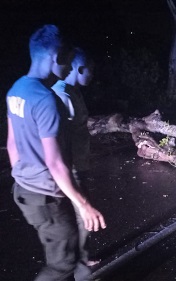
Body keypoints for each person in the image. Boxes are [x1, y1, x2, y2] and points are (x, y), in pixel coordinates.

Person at [5, 24, 106, 281]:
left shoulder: (16, 90)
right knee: (62, 265)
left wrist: (22, 178)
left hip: (25, 191)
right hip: (46, 195)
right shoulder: (46, 99)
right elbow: (55, 162)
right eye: (67, 60)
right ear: (57, 58)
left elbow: (12, 144)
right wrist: (84, 205)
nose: (67, 68)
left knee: (64, 254)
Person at [52, 47, 96, 266]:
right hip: (72, 165)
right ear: (79, 68)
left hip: (79, 162)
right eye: (90, 70)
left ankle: (79, 257)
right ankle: (79, 260)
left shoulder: (73, 91)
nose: (92, 75)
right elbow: (59, 137)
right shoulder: (63, 94)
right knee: (82, 211)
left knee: (80, 212)